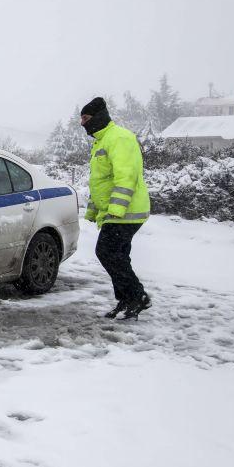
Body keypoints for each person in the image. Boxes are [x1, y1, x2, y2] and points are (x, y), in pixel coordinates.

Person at [80, 97, 152, 319]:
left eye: (86, 118)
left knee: (106, 252)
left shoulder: (119, 138)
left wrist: (116, 209)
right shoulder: (101, 141)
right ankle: (126, 300)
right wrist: (94, 210)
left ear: (98, 117)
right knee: (119, 255)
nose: (82, 124)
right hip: (115, 212)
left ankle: (138, 296)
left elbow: (126, 176)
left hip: (127, 211)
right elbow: (101, 181)